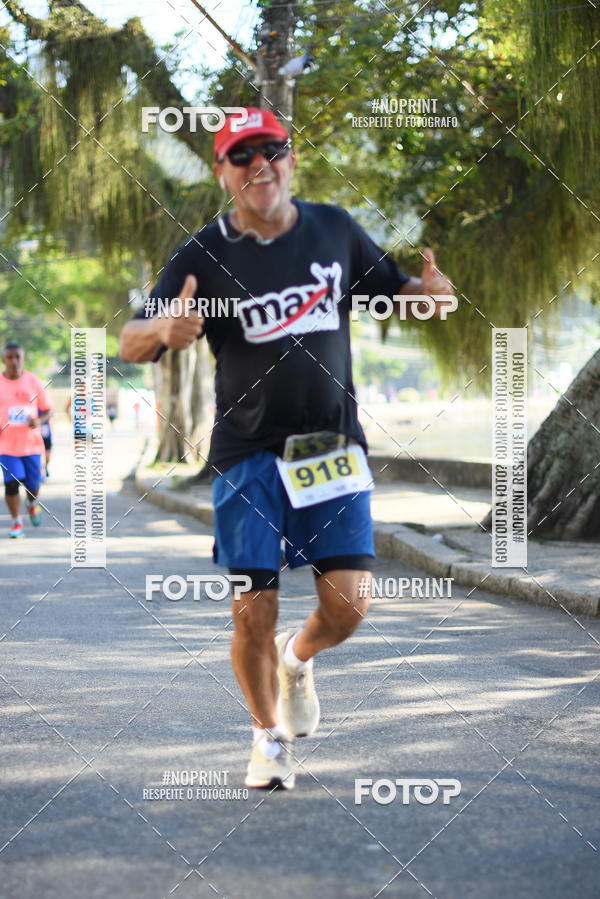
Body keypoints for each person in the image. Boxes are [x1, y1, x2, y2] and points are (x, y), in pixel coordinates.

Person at [119, 107, 453, 791]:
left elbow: (397, 294)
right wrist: (164, 330)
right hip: (246, 453)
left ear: (290, 158)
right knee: (252, 606)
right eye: (242, 156)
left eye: (271, 149)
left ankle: (297, 659)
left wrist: (433, 297)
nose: (259, 164)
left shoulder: (334, 228)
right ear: (223, 172)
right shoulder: (202, 254)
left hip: (331, 447)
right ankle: (267, 737)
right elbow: (130, 339)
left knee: (348, 605)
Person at [0, 342, 53, 538]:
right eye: (9, 357)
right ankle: (16, 523)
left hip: (31, 445)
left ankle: (31, 504)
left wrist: (38, 420)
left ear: (22, 358)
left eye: (17, 357)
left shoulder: (33, 381)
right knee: (12, 482)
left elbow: (49, 409)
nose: (14, 361)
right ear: (3, 360)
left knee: (33, 485)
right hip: (6, 446)